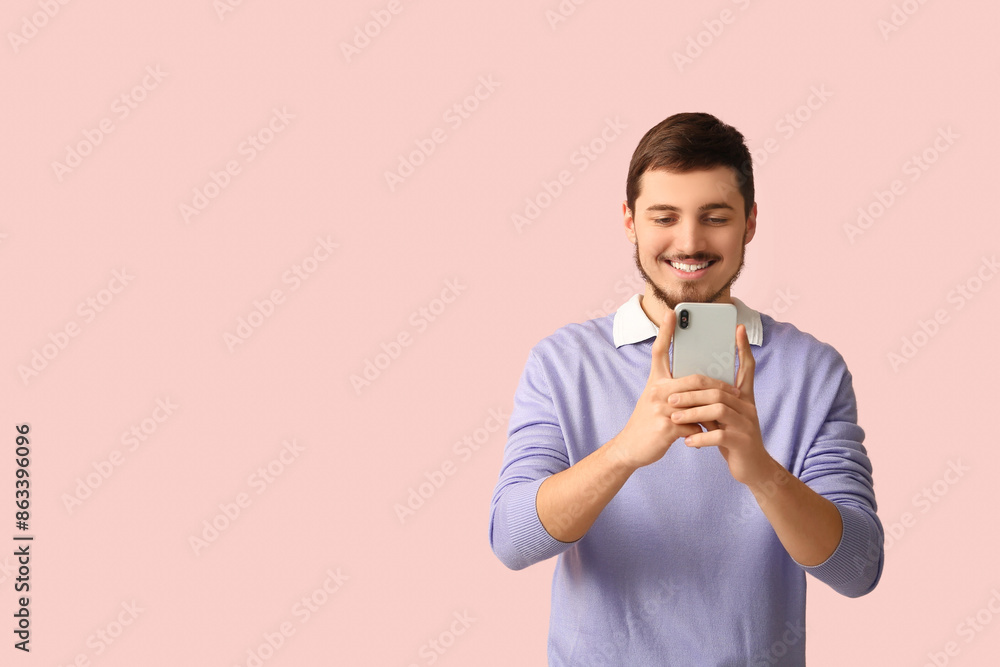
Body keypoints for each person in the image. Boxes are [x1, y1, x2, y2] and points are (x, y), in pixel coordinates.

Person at [488, 112, 884, 666]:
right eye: (664, 217)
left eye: (715, 218)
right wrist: (624, 452)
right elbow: (512, 540)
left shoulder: (812, 370)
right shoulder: (562, 363)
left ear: (749, 223)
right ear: (630, 222)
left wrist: (760, 470)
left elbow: (858, 569)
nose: (690, 242)